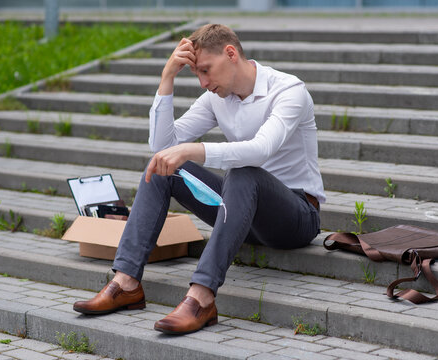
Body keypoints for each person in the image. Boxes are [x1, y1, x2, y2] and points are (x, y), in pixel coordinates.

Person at [73, 24, 325, 335]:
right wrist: (167, 78)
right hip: (243, 213)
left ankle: (202, 297)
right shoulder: (216, 97)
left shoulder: (288, 91)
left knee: (244, 171)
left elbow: (260, 150)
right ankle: (126, 282)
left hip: (295, 217)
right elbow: (164, 147)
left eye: (206, 70)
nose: (204, 83)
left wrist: (193, 150)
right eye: (197, 75)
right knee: (163, 167)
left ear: (230, 53)